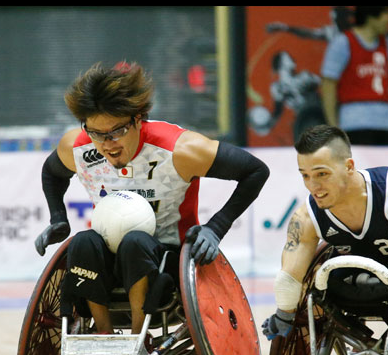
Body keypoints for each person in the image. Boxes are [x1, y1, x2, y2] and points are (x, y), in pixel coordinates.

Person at [35, 61, 269, 339]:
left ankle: (138, 338)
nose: (108, 143)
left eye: (117, 132)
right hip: (106, 261)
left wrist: (215, 228)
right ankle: (104, 336)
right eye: (97, 134)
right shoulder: (78, 146)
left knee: (136, 242)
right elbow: (52, 174)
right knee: (83, 240)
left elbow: (256, 171)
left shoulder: (181, 149)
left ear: (138, 119)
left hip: (167, 260)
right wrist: (58, 219)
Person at [262, 125, 388, 340]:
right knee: (316, 285)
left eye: (322, 174)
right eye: (305, 176)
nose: (313, 186)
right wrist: (284, 314)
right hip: (365, 282)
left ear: (349, 166)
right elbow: (289, 276)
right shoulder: (306, 217)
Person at [319, 6, 388, 146]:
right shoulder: (343, 43)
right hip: (355, 123)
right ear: (371, 17)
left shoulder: (387, 44)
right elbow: (328, 86)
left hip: (386, 124)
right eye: (385, 13)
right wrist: (334, 128)